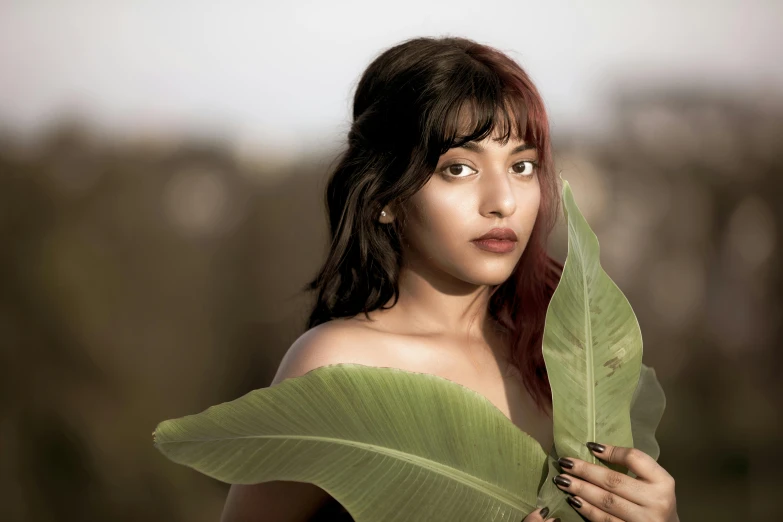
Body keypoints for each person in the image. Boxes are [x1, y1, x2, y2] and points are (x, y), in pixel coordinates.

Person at [220, 36, 679, 522]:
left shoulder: (565, 354)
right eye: (459, 168)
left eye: (522, 166)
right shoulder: (340, 365)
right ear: (387, 196)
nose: (502, 200)